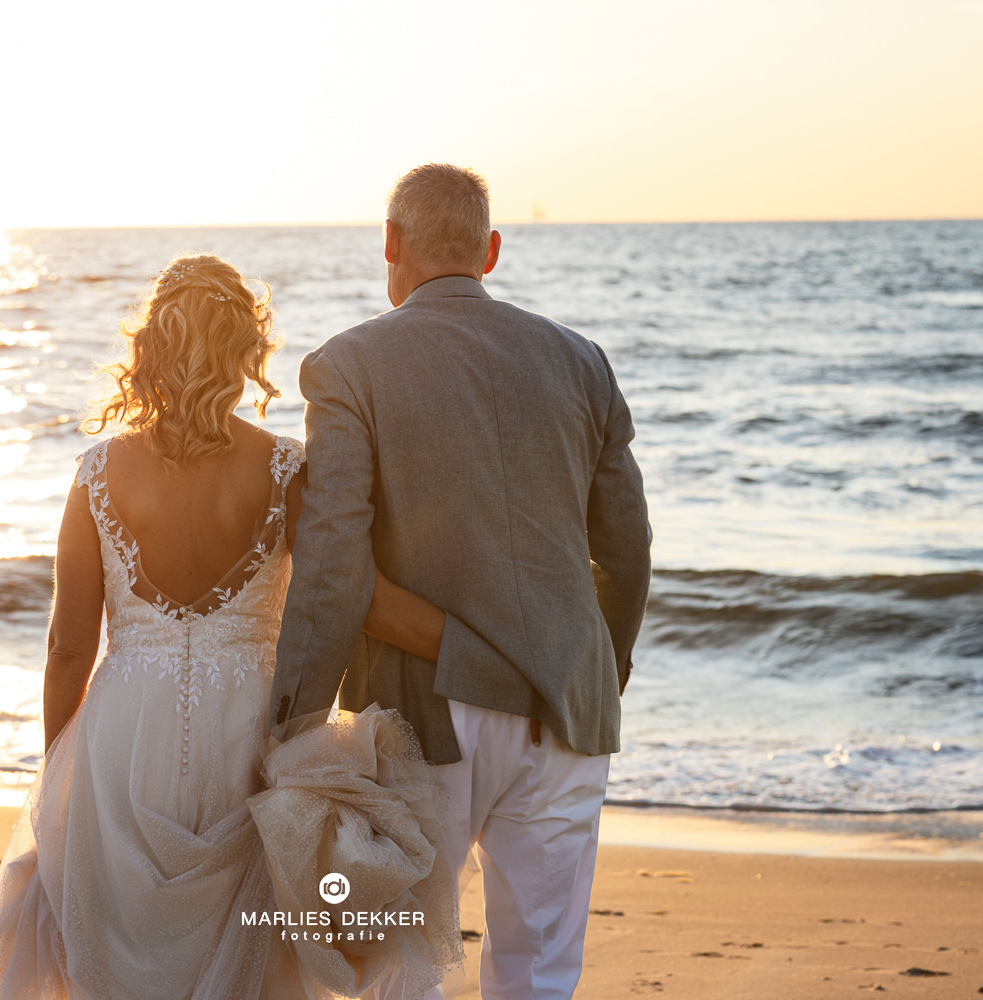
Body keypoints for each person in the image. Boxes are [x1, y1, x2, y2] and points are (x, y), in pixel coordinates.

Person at [0, 254, 460, 1000]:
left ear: (148, 350)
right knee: (253, 958)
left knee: (123, 942)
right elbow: (340, 598)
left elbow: (68, 647)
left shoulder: (97, 474)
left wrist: (57, 775)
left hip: (124, 732)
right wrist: (467, 645)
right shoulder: (286, 468)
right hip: (249, 728)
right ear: (244, 351)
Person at [270, 164, 652, 999]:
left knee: (399, 966)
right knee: (539, 972)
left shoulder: (347, 365)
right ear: (491, 250)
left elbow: (332, 562)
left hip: (426, 707)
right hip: (568, 709)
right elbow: (626, 548)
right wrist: (600, 675)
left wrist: (292, 723)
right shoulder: (583, 362)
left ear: (390, 244)